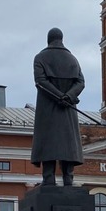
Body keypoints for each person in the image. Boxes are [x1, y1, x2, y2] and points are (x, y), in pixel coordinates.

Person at [31, 27, 86, 186]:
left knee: (48, 143)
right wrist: (68, 96)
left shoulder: (40, 57)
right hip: (68, 110)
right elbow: (81, 82)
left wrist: (59, 96)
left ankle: (48, 178)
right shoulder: (73, 59)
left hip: (48, 110)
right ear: (61, 39)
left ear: (48, 40)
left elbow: (40, 82)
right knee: (68, 144)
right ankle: (68, 178)